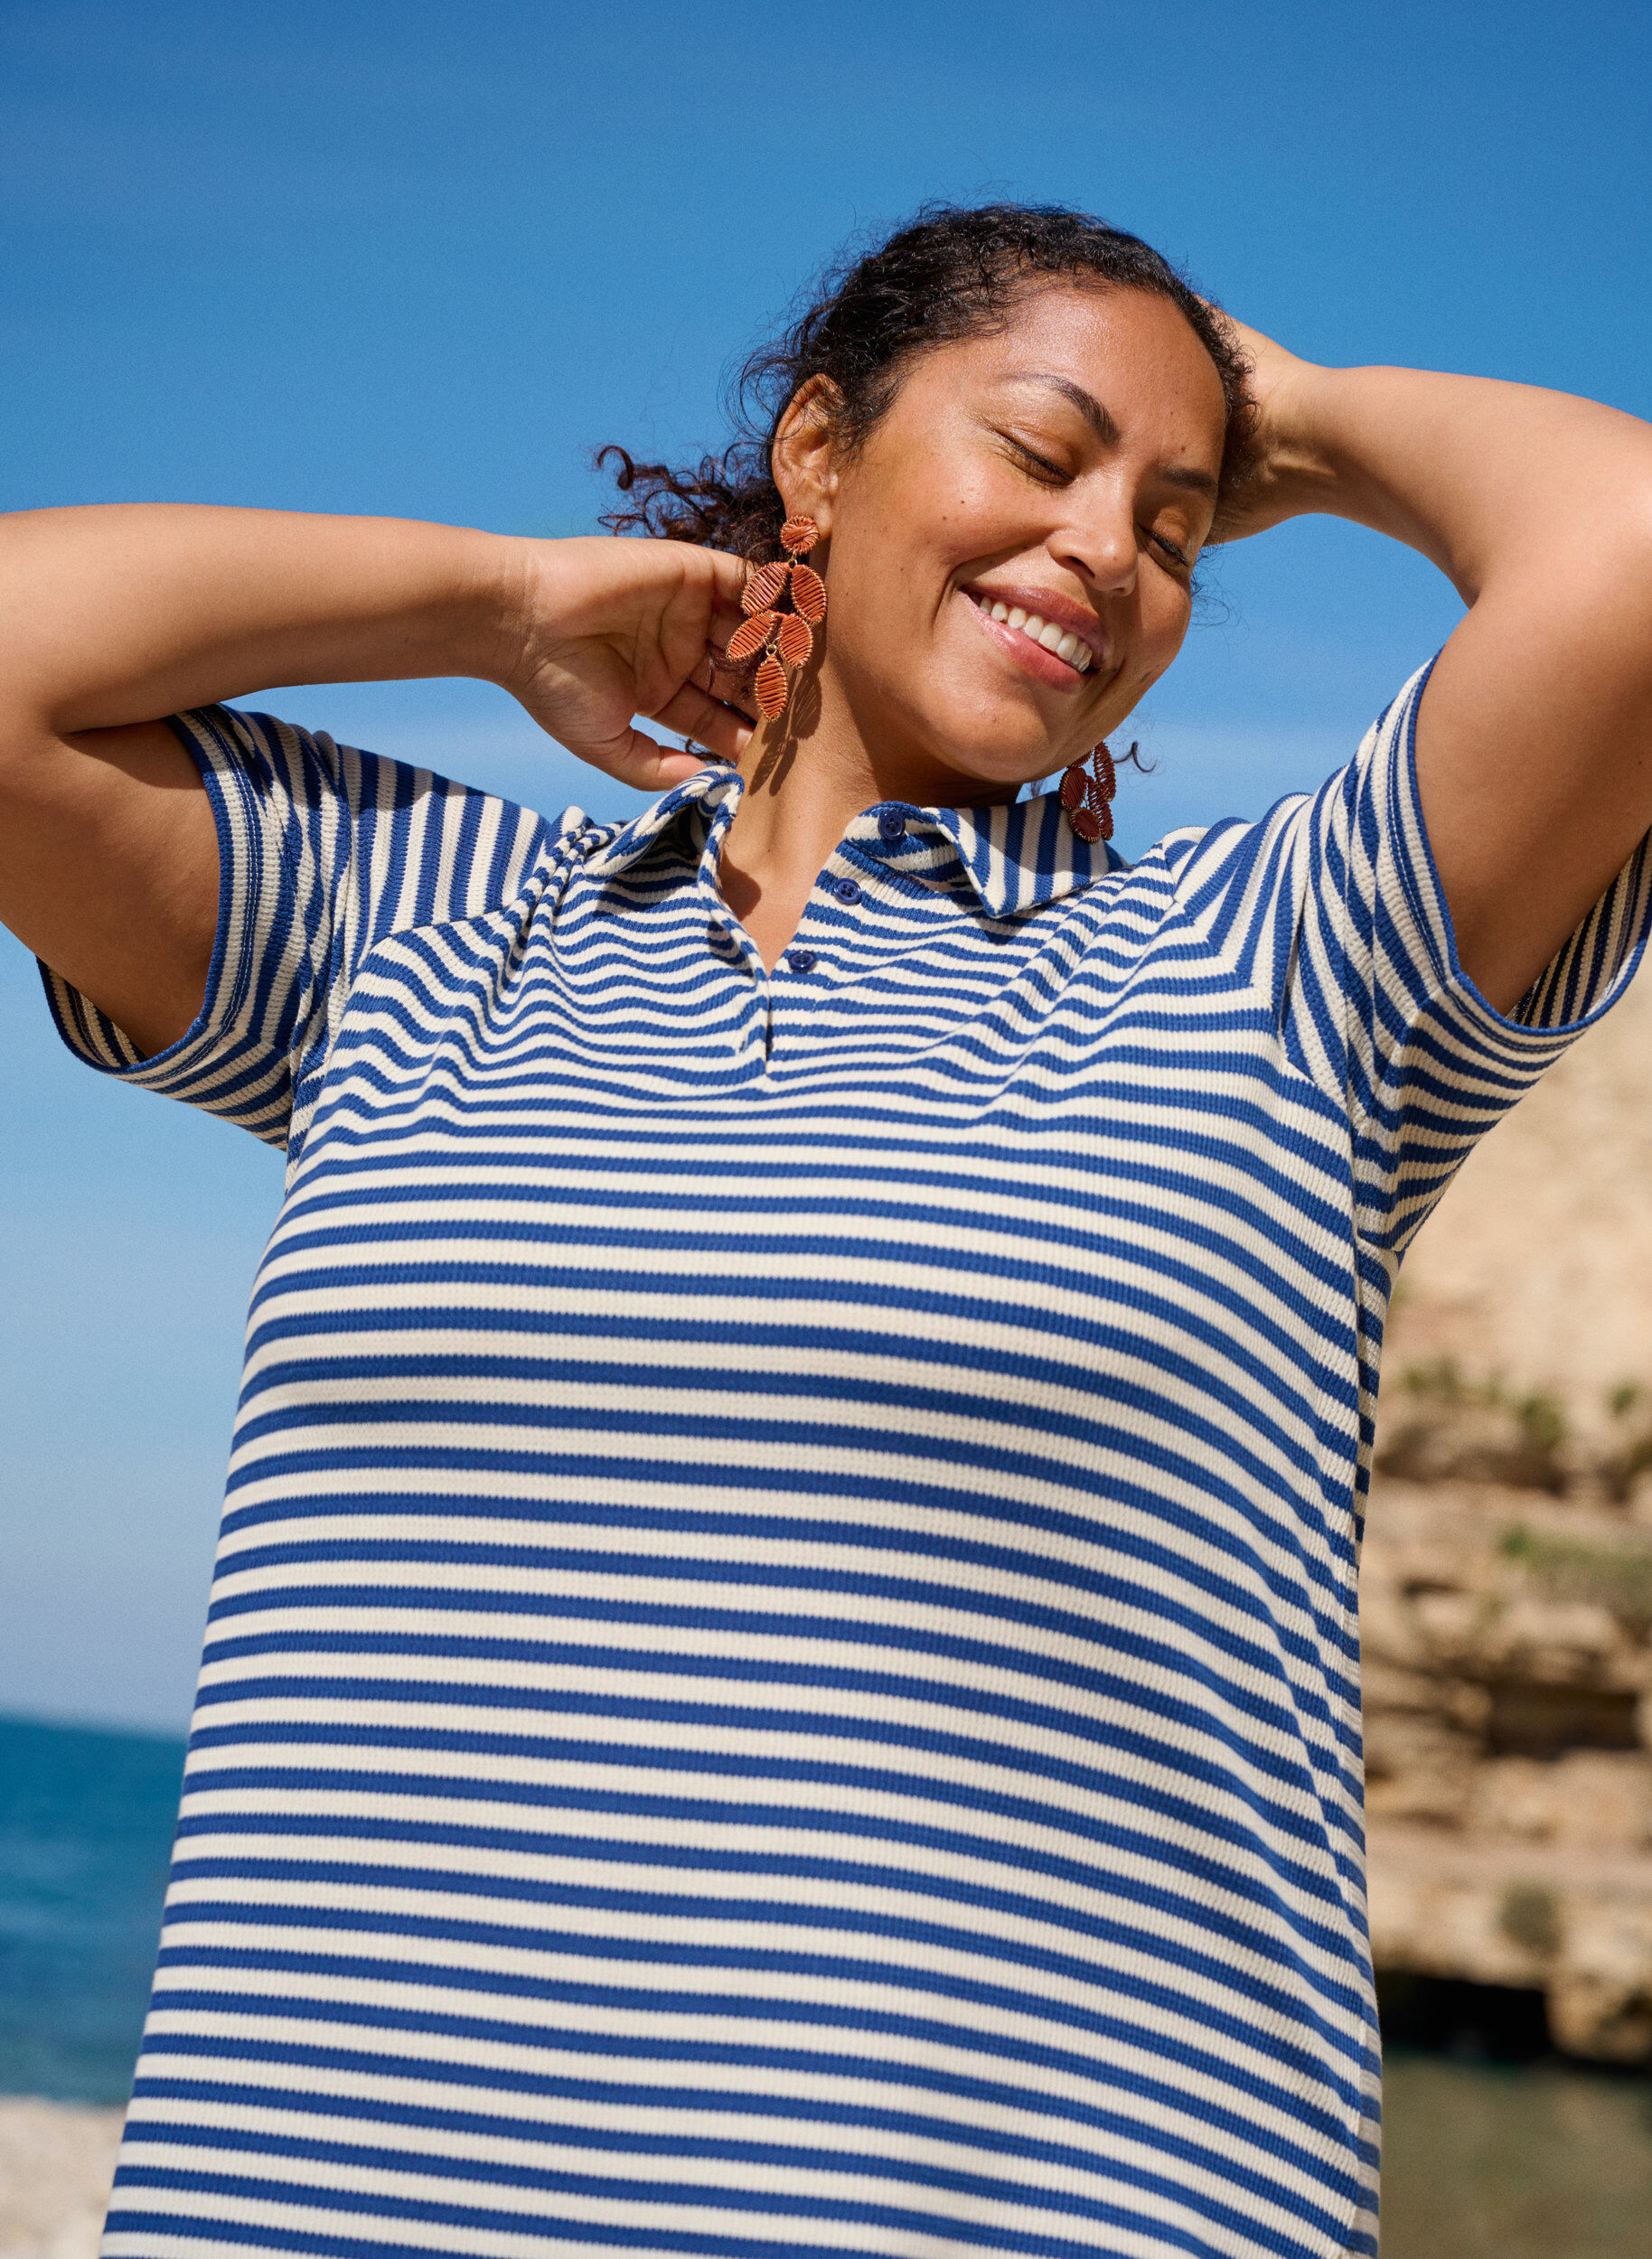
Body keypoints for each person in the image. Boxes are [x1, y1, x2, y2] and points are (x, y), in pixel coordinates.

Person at [3, 202, 1649, 2259]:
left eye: (1173, 521)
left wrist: (1284, 412)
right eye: (1040, 456)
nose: (1102, 556)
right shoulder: (417, 928)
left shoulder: (1271, 975)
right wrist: (494, 598)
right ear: (817, 456)